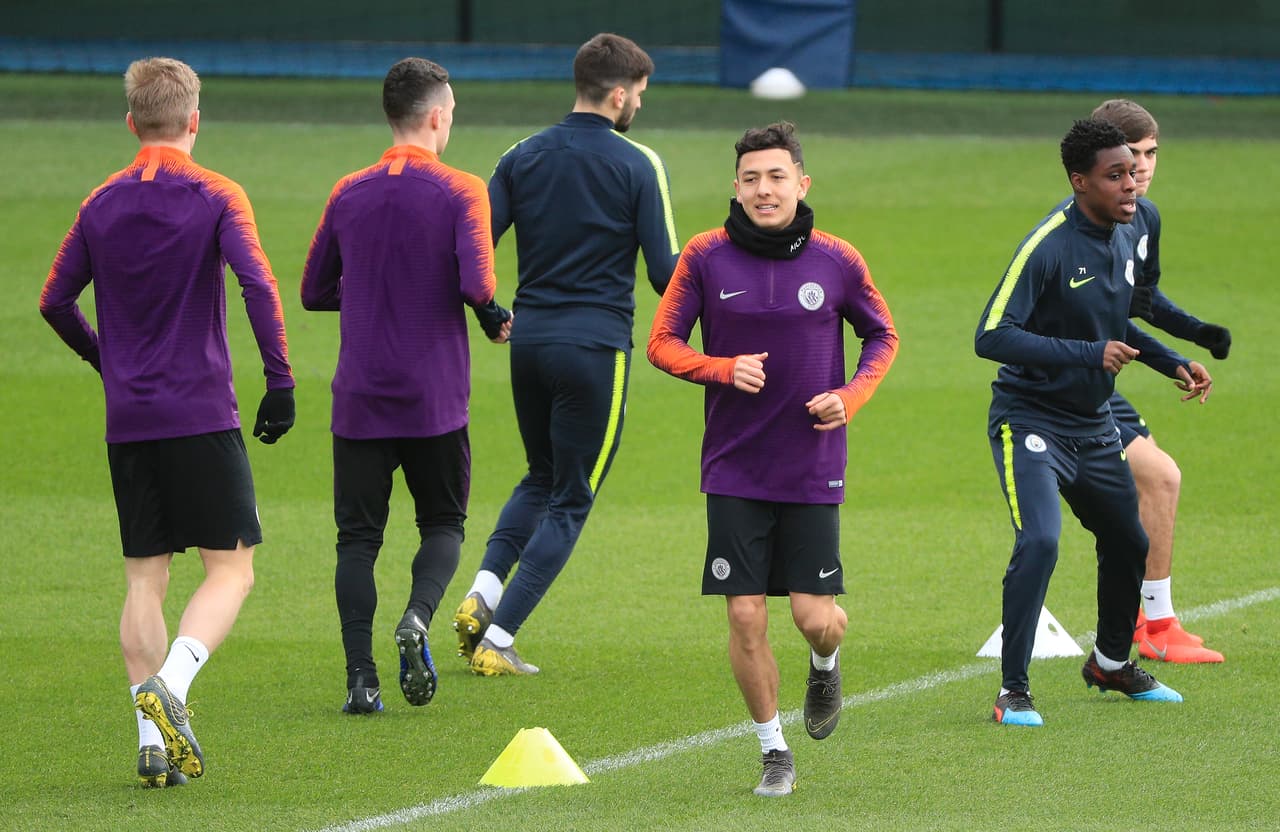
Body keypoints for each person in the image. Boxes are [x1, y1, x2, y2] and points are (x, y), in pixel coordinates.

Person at [39, 57, 296, 786]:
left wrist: (105, 362)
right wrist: (280, 381)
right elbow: (256, 283)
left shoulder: (99, 203)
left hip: (130, 421)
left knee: (144, 579)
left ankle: (148, 745)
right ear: (194, 120)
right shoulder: (216, 193)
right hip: (201, 412)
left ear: (130, 123)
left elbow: (54, 300)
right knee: (233, 568)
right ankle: (173, 688)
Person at [648, 121, 898, 796]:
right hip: (733, 466)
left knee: (815, 618)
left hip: (813, 462)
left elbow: (883, 336)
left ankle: (826, 665)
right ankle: (773, 750)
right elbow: (662, 343)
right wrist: (721, 369)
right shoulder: (704, 256)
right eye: (752, 178)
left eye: (776, 176)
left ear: (801, 183)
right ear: (736, 187)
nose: (764, 189)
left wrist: (851, 396)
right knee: (744, 613)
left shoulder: (837, 259)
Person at [451, 32, 680, 676]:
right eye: (637, 93)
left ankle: (483, 594)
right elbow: (667, 274)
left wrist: (490, 313)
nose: (638, 104)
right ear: (617, 93)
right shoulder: (639, 164)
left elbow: (472, 250)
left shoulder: (521, 156)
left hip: (529, 344)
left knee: (540, 476)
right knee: (572, 496)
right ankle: (498, 640)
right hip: (596, 348)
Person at [975, 119, 1213, 727]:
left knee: (1131, 539)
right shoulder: (1049, 245)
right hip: (1029, 420)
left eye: (1134, 172)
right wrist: (1088, 354)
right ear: (1080, 182)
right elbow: (991, 335)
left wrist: (1173, 362)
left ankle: (1110, 663)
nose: (1131, 185)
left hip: (1091, 423)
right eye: (1116, 176)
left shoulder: (1127, 231)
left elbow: (1114, 323)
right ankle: (1014, 692)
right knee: (1041, 540)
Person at [300, 57, 512, 713]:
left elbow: (312, 291)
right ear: (438, 116)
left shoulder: (348, 191)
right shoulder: (461, 189)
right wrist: (484, 311)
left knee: (357, 541)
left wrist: (373, 292)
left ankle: (359, 680)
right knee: (443, 522)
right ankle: (417, 617)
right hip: (433, 395)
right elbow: (478, 284)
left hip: (359, 394)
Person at [1091, 98, 1231, 663]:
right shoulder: (1094, 224)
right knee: (1156, 481)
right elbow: (1107, 319)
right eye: (1131, 155)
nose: (1144, 166)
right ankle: (1144, 627)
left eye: (1151, 153)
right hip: (1056, 388)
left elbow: (1140, 301)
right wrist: (1173, 360)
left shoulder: (1144, 217)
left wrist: (1197, 334)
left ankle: (1153, 623)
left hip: (1097, 387)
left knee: (1159, 481)